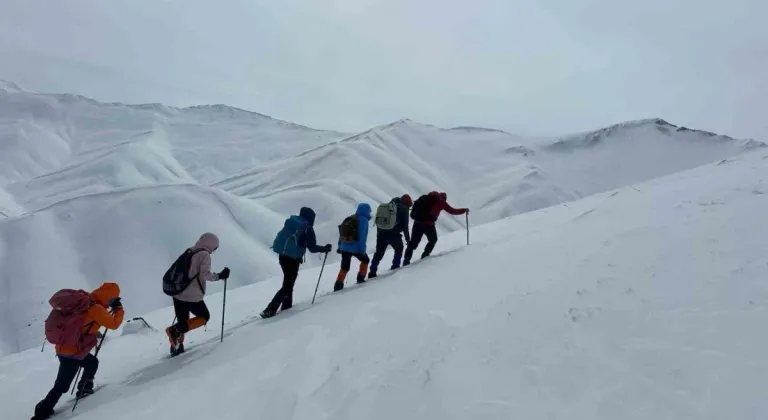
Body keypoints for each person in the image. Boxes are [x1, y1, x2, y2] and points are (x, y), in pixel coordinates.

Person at [32, 282, 124, 420]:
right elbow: (114, 324)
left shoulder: (85, 300)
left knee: (92, 362)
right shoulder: (95, 309)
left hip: (64, 347)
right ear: (109, 297)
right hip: (73, 352)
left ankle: (85, 387)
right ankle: (42, 411)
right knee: (62, 385)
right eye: (112, 299)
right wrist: (119, 309)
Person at [165, 232, 230, 356]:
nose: (213, 251)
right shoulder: (204, 255)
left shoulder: (190, 250)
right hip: (191, 295)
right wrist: (220, 276)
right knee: (204, 316)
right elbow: (204, 274)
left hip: (178, 292)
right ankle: (174, 331)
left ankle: (176, 347)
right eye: (215, 248)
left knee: (182, 320)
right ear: (211, 244)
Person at [260, 207, 332, 318]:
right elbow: (312, 248)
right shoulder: (307, 228)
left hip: (282, 256)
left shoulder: (292, 223)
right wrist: (324, 249)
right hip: (292, 259)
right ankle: (270, 309)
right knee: (288, 285)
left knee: (288, 282)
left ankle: (287, 307)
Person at [403, 191, 468, 266]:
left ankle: (406, 261)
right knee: (433, 240)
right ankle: (425, 256)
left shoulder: (426, 197)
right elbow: (452, 211)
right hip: (429, 225)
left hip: (417, 223)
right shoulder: (441, 202)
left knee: (413, 244)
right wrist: (464, 210)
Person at [369, 194, 413, 278]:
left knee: (379, 253)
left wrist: (379, 234)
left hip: (381, 233)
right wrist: (408, 239)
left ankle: (372, 271)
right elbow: (405, 227)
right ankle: (395, 266)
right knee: (399, 248)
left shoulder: (389, 205)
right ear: (407, 204)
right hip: (394, 234)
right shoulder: (404, 209)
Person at [334, 203, 372, 291]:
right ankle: (360, 278)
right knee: (365, 260)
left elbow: (342, 234)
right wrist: (362, 250)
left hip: (344, 246)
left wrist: (340, 246)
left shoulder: (351, 217)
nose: (369, 213)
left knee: (344, 267)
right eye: (369, 211)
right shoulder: (363, 220)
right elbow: (362, 236)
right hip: (355, 247)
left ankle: (338, 285)